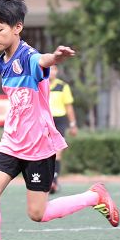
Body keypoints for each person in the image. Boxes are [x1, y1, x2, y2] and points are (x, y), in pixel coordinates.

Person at [0, 0, 119, 240]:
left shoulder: (29, 57)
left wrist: (54, 58)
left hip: (38, 146)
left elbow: (41, 60)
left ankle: (94, 196)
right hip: (11, 142)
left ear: (17, 27)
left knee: (38, 214)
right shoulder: (2, 62)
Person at [47, 65, 78, 194]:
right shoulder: (39, 84)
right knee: (45, 151)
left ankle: (54, 181)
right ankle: (46, 180)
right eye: (49, 68)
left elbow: (69, 107)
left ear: (57, 71)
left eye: (53, 69)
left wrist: (73, 124)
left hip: (59, 120)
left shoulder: (63, 86)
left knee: (57, 151)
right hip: (44, 120)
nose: (51, 71)